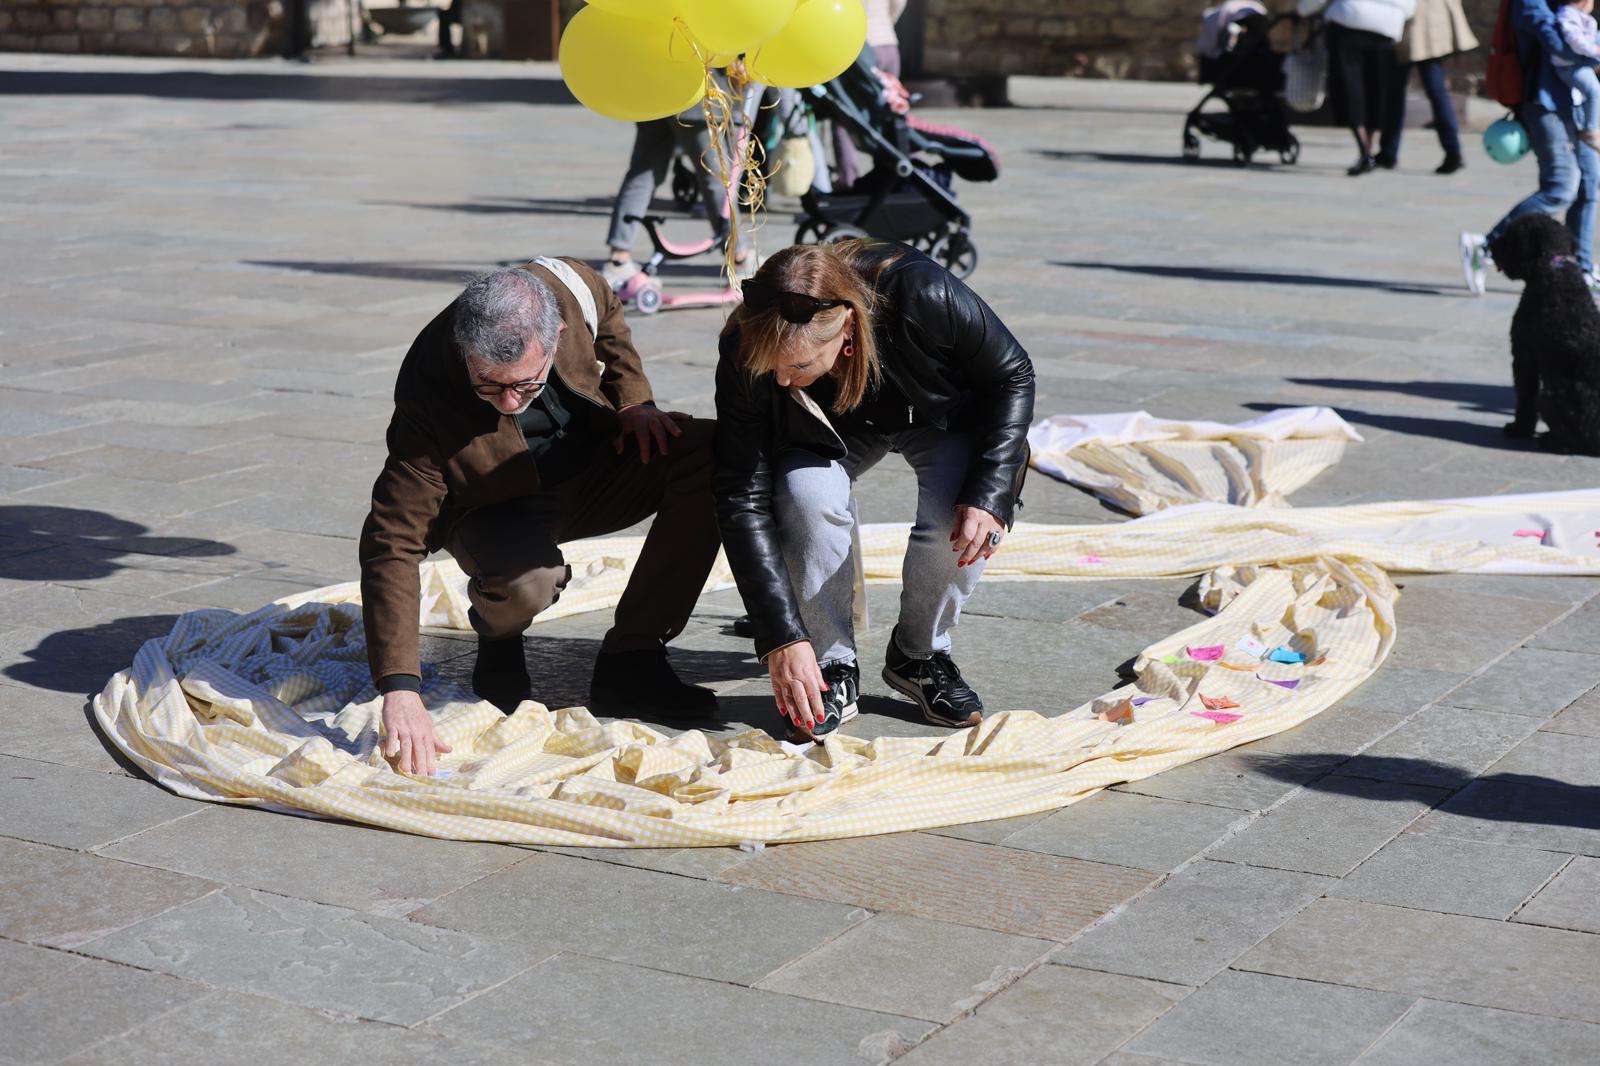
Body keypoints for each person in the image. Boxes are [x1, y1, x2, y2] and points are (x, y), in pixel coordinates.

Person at [360, 261, 722, 777]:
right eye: (489, 385)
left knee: (714, 456)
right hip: (491, 503)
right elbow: (390, 542)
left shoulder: (567, 287)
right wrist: (399, 687)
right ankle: (500, 634)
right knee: (528, 582)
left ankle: (633, 658)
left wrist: (635, 400)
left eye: (526, 385)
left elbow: (610, 307)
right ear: (466, 350)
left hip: (592, 467)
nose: (509, 402)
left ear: (556, 336)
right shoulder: (428, 394)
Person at [712, 239, 1034, 742]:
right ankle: (832, 663)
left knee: (961, 517)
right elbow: (740, 494)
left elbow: (1013, 373)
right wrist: (782, 636)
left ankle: (920, 655)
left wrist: (990, 492)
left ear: (846, 331)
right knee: (805, 497)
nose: (779, 377)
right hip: (824, 429)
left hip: (935, 415)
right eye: (772, 365)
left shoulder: (921, 292)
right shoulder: (744, 346)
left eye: (796, 367)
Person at [1461, 0, 1599, 295]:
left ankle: (1581, 267)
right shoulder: (1529, 3)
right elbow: (1559, 46)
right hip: (1545, 104)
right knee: (1560, 188)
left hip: (1576, 105)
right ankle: (1487, 245)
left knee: (1590, 187)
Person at [602, 75, 757, 289]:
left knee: (643, 173)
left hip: (654, 92)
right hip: (697, 95)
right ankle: (739, 256)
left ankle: (618, 258)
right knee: (716, 179)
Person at [1297, 0, 1418, 175]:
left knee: (1348, 87)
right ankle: (1367, 148)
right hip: (1387, 28)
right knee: (1376, 90)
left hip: (1349, 22)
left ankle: (1364, 150)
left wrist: (1303, 9)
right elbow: (1409, 7)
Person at [1376, 0, 1478, 172]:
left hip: (1411, 18)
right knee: (1434, 89)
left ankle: (1389, 152)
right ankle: (1453, 151)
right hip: (1431, 18)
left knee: (1398, 90)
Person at [831, 0, 907, 190]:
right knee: (887, 111)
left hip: (863, 49)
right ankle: (888, 172)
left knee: (846, 115)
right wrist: (886, 23)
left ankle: (848, 178)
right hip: (889, 43)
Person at [1553, 0, 1600, 149]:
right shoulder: (1567, 15)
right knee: (1594, 91)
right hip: (1570, 67)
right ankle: (1591, 131)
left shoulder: (1579, 16)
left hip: (1579, 63)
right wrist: (1595, 50)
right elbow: (1576, 41)